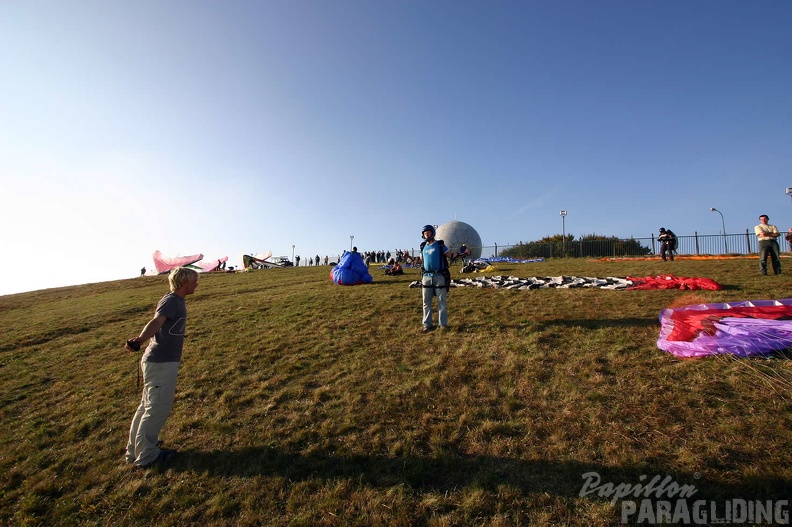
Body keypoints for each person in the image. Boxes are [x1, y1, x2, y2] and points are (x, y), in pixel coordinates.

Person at [124, 267, 199, 468]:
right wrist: (140, 340)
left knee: (147, 406)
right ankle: (147, 456)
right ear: (184, 282)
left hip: (160, 361)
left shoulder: (177, 301)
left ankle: (135, 450)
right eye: (194, 280)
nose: (197, 284)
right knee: (156, 408)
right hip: (161, 362)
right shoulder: (171, 300)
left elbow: (166, 326)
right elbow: (156, 322)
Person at [418, 224, 452, 332]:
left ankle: (442, 325)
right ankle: (427, 325)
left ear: (432, 233)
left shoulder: (440, 245)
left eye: (428, 233)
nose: (426, 235)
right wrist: (407, 257)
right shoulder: (423, 247)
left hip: (439, 276)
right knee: (426, 302)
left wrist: (464, 253)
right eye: (425, 233)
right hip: (426, 277)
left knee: (441, 301)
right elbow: (419, 260)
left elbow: (450, 255)